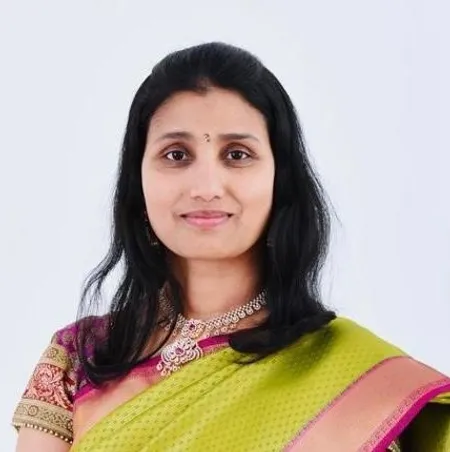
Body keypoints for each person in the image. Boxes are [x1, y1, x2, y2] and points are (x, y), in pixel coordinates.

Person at [12, 42, 450, 452]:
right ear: (137, 182)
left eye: (237, 154)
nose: (206, 187)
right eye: (176, 154)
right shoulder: (79, 359)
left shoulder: (352, 385)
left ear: (281, 182)